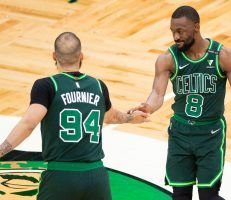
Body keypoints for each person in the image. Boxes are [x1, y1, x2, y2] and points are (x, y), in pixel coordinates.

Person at [0, 32, 149, 200]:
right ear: (81, 56)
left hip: (61, 177)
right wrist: (131, 117)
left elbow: (28, 124)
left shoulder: (47, 86)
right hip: (96, 177)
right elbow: (111, 116)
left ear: (54, 56)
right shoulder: (98, 86)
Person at [128, 6, 231, 200]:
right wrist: (147, 107)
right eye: (173, 31)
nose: (176, 36)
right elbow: (157, 93)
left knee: (208, 196)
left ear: (196, 27)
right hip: (180, 133)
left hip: (210, 134)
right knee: (180, 196)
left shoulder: (223, 56)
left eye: (181, 31)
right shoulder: (167, 59)